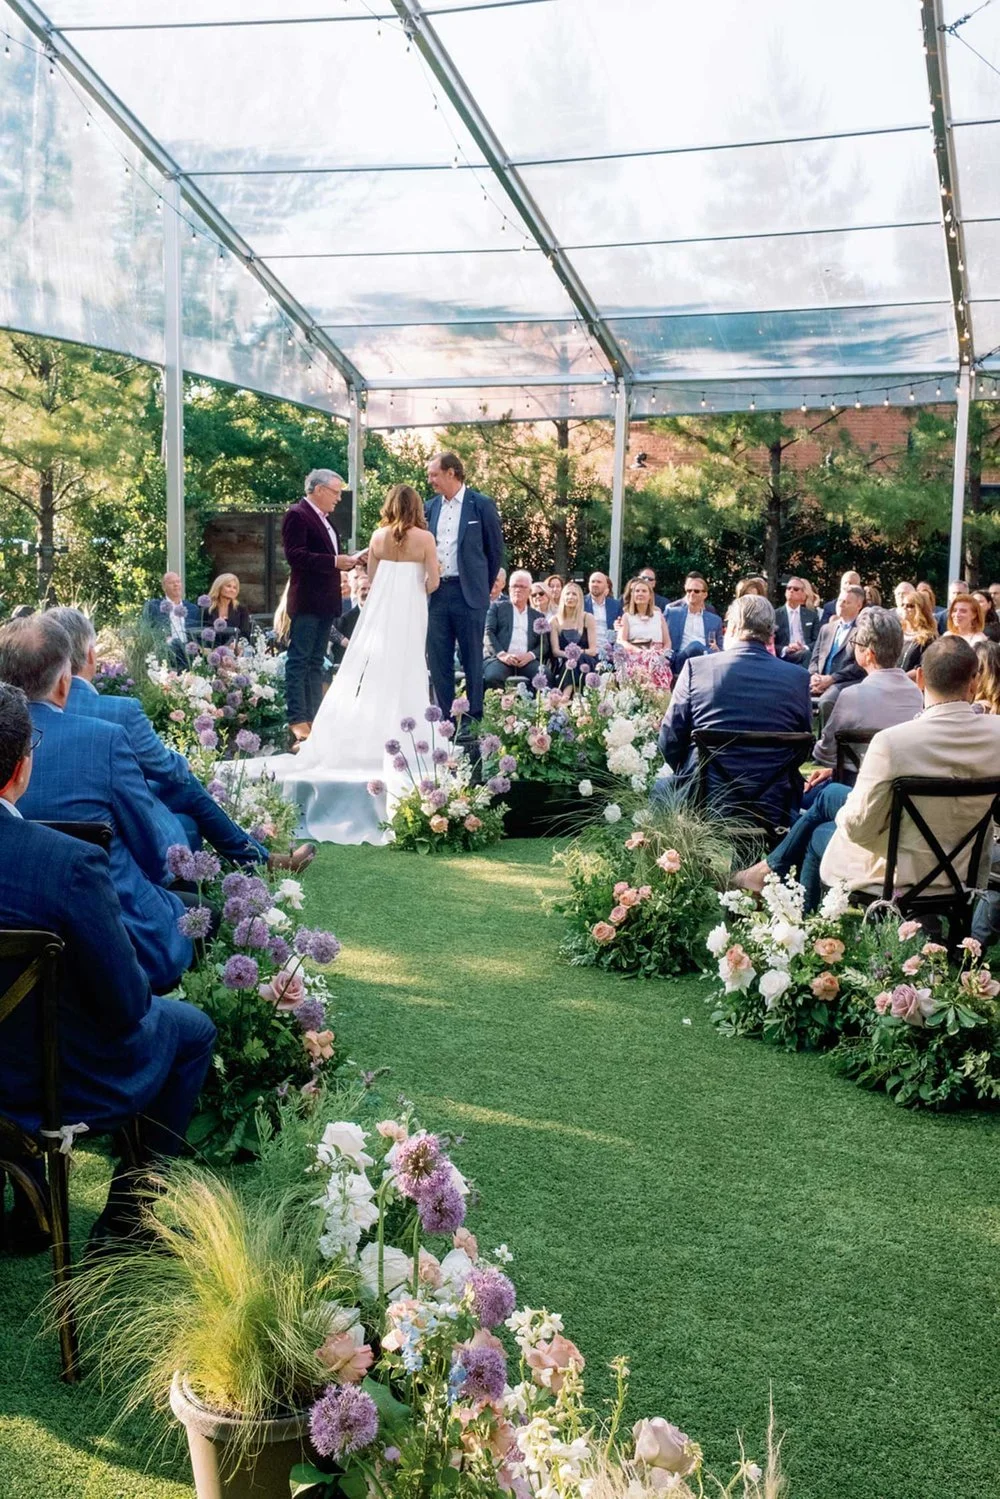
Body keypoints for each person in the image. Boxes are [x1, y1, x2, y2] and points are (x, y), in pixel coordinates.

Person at [0, 681, 217, 1254]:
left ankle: (28, 1209)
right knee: (189, 1030)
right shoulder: (67, 864)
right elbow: (125, 1009)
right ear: (23, 767)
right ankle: (128, 1217)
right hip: (43, 1089)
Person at [733, 636, 1000, 911]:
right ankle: (769, 873)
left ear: (919, 678)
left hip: (902, 869)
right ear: (975, 682)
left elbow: (859, 828)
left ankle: (802, 925)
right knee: (830, 795)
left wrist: (845, 815)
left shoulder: (893, 742)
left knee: (820, 832)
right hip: (963, 865)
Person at [0, 615, 192, 993]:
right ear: (64, 682)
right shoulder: (103, 741)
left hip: (16, 940)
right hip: (123, 941)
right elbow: (153, 852)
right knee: (189, 913)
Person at [47, 608, 314, 874]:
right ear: (91, 654)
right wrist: (183, 763)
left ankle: (255, 858)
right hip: (115, 817)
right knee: (185, 784)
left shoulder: (24, 710)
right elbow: (164, 767)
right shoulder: (121, 711)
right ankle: (258, 860)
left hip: (48, 819)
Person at [257, 483, 439, 845]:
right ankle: (406, 738)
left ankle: (365, 733)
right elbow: (432, 582)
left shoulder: (377, 537)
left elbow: (369, 577)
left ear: (390, 505)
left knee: (371, 674)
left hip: (381, 617)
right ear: (417, 506)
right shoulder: (425, 539)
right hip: (409, 616)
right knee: (407, 672)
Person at [658, 594, 812, 828]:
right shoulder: (798, 678)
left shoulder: (696, 669)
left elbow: (669, 739)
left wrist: (692, 772)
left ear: (732, 628)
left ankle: (673, 863)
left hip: (706, 801)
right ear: (771, 632)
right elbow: (802, 747)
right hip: (774, 805)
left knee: (660, 788)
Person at [282, 469, 367, 746]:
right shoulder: (297, 514)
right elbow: (295, 556)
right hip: (307, 600)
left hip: (325, 602)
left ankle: (315, 719)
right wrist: (334, 562)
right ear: (318, 490)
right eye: (336, 492)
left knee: (316, 663)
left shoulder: (327, 521)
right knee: (299, 660)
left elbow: (329, 558)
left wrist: (352, 560)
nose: (339, 498)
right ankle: (297, 720)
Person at [804, 608, 922, 790]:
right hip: (901, 792)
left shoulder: (852, 695)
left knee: (802, 800)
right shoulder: (916, 694)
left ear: (868, 654)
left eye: (855, 643)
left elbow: (825, 753)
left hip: (855, 792)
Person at [425, 452, 504, 723]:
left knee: (472, 658)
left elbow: (494, 551)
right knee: (438, 659)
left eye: (434, 474)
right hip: (436, 592)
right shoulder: (430, 507)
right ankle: (445, 720)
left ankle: (473, 720)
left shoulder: (481, 504)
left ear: (452, 473)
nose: (430, 480)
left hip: (469, 593)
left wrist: (484, 584)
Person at [809, 583, 866, 719]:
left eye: (847, 602)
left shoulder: (863, 631)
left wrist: (832, 679)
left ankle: (828, 738)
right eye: (840, 601)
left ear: (858, 606)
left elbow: (859, 665)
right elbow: (815, 657)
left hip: (844, 682)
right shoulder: (827, 629)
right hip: (819, 680)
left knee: (827, 702)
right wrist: (814, 676)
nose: (841, 605)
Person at [484, 570, 543, 689]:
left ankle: (533, 706)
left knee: (544, 676)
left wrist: (530, 655)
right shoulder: (497, 608)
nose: (518, 590)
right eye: (515, 586)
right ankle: (500, 707)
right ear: (509, 588)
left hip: (526, 661)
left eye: (522, 587)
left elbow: (544, 644)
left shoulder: (537, 616)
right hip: (500, 658)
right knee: (493, 677)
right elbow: (488, 633)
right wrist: (503, 655)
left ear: (529, 591)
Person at [142, 571, 200, 668]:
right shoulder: (154, 606)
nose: (176, 585)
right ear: (164, 587)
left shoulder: (193, 609)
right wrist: (162, 638)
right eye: (171, 583)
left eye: (178, 582)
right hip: (166, 652)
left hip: (189, 653)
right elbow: (147, 630)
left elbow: (198, 632)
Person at [665, 573, 723, 670]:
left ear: (705, 594)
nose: (692, 593)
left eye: (696, 591)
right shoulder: (672, 613)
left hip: (704, 661)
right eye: (689, 590)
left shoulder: (715, 620)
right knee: (695, 646)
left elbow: (720, 648)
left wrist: (717, 649)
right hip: (680, 660)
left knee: (699, 649)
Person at [548, 580, 598, 686]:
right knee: (571, 662)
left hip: (586, 662)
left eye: (574, 594)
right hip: (564, 662)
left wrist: (577, 652)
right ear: (563, 597)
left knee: (580, 658)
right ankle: (569, 694)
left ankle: (565, 694)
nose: (570, 597)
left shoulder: (588, 618)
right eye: (567, 594)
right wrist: (570, 655)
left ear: (579, 598)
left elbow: (593, 651)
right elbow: (555, 651)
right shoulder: (554, 621)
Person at [773, 576, 820, 667]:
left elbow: (818, 641)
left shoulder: (812, 615)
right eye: (788, 588)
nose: (791, 590)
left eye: (796, 589)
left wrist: (804, 647)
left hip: (805, 655)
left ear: (803, 594)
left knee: (807, 655)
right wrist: (785, 649)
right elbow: (770, 643)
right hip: (784, 656)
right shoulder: (775, 615)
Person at [618, 577, 668, 654]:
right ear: (632, 595)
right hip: (635, 657)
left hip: (658, 658)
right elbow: (622, 641)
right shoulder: (627, 617)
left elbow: (667, 642)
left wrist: (662, 656)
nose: (640, 593)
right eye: (637, 591)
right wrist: (639, 651)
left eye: (644, 591)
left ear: (650, 596)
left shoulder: (659, 616)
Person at [330, 575, 371, 669]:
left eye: (370, 589)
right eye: (363, 589)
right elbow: (337, 650)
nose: (367, 592)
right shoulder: (344, 619)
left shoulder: (380, 616)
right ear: (356, 592)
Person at [898, 590, 939, 676]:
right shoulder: (897, 632)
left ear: (920, 609)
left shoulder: (928, 638)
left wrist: (901, 679)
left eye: (910, 606)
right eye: (903, 605)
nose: (905, 608)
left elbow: (924, 667)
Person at [205, 573, 254, 645]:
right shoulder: (207, 609)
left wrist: (236, 644)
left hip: (235, 649)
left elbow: (245, 633)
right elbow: (202, 633)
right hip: (212, 649)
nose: (232, 590)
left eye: (235, 588)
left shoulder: (241, 609)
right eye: (228, 586)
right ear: (219, 587)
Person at [583, 571, 622, 654]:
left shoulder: (615, 605)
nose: (595, 584)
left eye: (599, 582)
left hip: (610, 652)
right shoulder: (581, 603)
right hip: (588, 651)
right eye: (593, 581)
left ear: (606, 586)